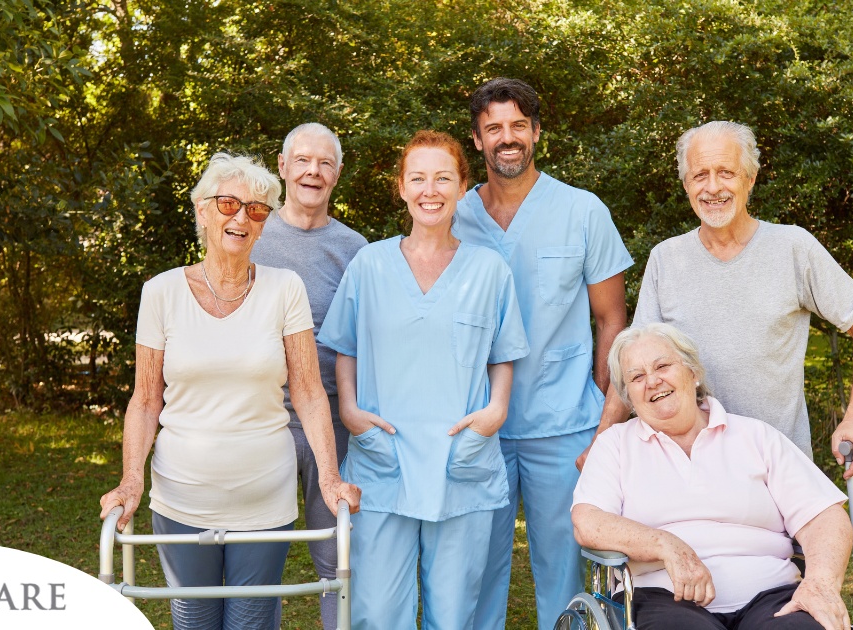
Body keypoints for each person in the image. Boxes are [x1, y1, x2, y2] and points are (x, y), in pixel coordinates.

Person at [98, 152, 360, 630]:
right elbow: (145, 399)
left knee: (251, 622)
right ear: (202, 210)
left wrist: (329, 476)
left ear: (265, 224)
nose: (242, 217)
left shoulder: (285, 288)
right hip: (181, 496)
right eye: (228, 204)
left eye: (257, 209)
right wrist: (130, 479)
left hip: (264, 499)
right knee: (194, 620)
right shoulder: (161, 292)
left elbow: (307, 390)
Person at [588, 120, 853, 478]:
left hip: (778, 470)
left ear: (750, 179)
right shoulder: (666, 258)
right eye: (699, 175)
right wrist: (603, 441)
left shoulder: (793, 247)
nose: (712, 187)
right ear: (686, 185)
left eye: (726, 173)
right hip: (688, 470)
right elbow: (634, 365)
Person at [318, 130, 529, 629]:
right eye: (418, 178)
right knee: (375, 611)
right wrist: (349, 408)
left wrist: (496, 410)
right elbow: (344, 346)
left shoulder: (489, 270)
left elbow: (504, 354)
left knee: (456, 614)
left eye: (442, 178)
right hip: (383, 455)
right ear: (401, 187)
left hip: (460, 456)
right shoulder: (369, 264)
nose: (429, 189)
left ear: (462, 186)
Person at [453, 78, 633, 630]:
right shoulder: (455, 215)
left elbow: (612, 319)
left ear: (535, 132)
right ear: (478, 140)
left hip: (564, 423)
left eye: (516, 126)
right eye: (493, 129)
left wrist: (606, 415)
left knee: (564, 568)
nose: (506, 139)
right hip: (477, 422)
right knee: (475, 565)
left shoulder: (583, 211)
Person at [573, 323, 853, 630]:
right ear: (629, 397)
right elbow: (588, 521)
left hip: (772, 595)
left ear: (693, 373)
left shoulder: (755, 436)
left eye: (663, 366)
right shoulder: (615, 445)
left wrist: (820, 585)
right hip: (661, 598)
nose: (652, 381)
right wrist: (667, 545)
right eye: (637, 377)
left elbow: (824, 516)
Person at [249, 122, 367, 629]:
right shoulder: (249, 236)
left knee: (336, 560)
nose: (312, 172)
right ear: (282, 167)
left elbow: (367, 342)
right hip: (261, 422)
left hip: (331, 423)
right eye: (302, 161)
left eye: (324, 163)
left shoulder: (356, 249)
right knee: (257, 565)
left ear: (337, 174)